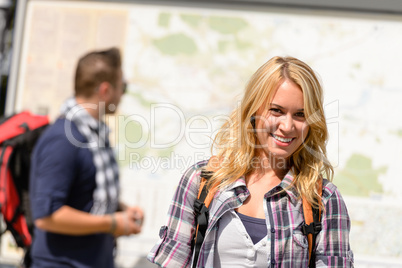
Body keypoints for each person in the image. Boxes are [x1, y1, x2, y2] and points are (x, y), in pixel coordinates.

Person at [148, 56, 353, 267]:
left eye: (301, 114)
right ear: (253, 111)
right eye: (277, 111)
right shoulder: (202, 180)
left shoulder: (324, 200)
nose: (288, 125)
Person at [29, 47, 144, 268]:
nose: (122, 94)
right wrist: (111, 223)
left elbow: (85, 196)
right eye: (123, 87)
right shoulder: (63, 139)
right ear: (105, 90)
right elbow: (47, 216)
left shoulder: (92, 134)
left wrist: (121, 212)